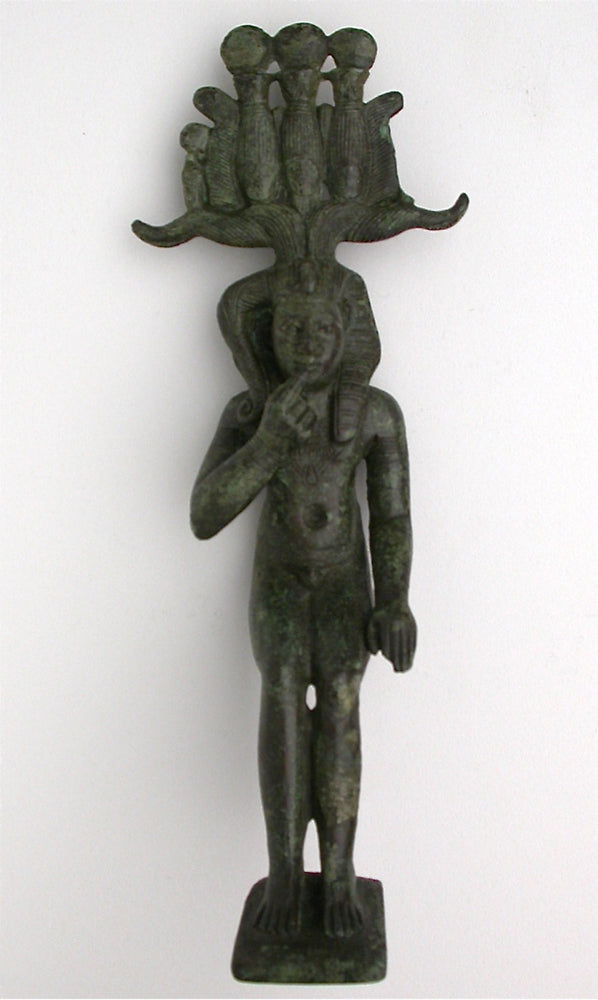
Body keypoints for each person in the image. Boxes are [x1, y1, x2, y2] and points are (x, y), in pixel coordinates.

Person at [190, 287, 416, 938]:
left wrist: (394, 599)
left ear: (348, 335)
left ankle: (339, 871)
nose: (308, 343)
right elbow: (205, 513)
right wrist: (266, 444)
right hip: (281, 582)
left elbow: (392, 514)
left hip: (343, 580)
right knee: (283, 696)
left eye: (322, 329)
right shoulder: (251, 411)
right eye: (292, 328)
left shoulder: (373, 413)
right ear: (268, 335)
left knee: (341, 699)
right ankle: (285, 870)